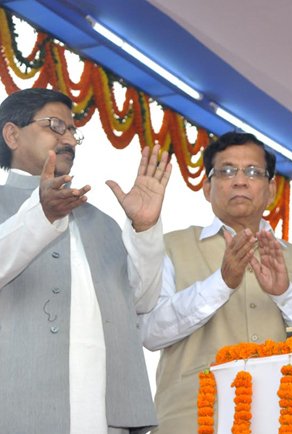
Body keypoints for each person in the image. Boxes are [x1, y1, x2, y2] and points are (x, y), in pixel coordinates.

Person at [0, 88, 171, 433]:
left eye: (73, 131)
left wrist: (144, 229)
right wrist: (40, 215)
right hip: (19, 409)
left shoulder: (101, 222)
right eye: (55, 126)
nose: (70, 141)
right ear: (12, 134)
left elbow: (141, 299)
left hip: (105, 414)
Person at [140, 131, 292, 433]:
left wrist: (285, 294)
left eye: (253, 171)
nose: (240, 180)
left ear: (270, 189)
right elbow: (150, 332)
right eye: (226, 171)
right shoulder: (169, 246)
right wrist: (222, 283)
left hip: (283, 420)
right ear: (206, 188)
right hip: (193, 421)